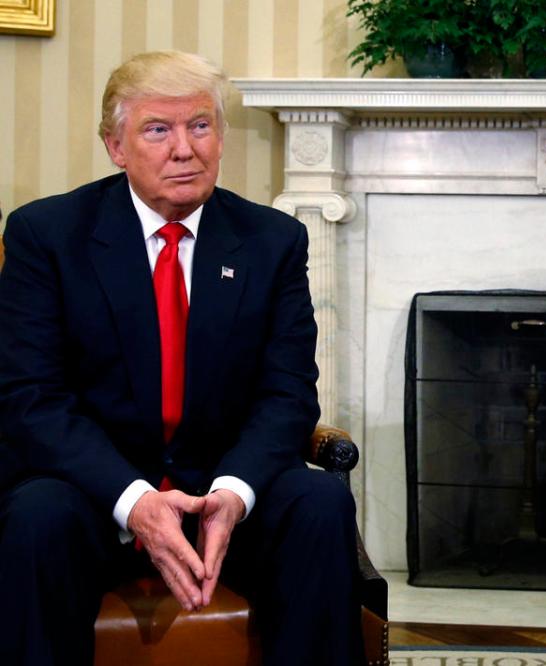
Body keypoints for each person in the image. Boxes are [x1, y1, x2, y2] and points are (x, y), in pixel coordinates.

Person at [0, 50, 360, 665]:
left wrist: (236, 491)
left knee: (320, 503)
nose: (184, 149)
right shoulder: (47, 236)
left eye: (199, 125)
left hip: (220, 500)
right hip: (96, 498)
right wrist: (133, 500)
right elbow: (30, 400)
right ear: (116, 147)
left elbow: (289, 393)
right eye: (157, 130)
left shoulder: (272, 242)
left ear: (220, 138)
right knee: (36, 515)